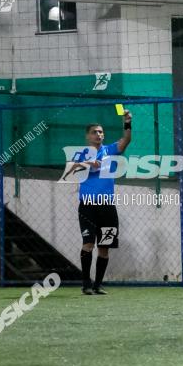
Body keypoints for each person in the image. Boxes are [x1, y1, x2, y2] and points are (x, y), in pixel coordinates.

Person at [61, 112, 132, 295]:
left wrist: (127, 123)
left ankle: (98, 284)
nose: (98, 135)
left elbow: (126, 140)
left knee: (104, 246)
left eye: (100, 132)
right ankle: (86, 283)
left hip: (107, 206)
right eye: (94, 132)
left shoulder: (110, 150)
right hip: (88, 206)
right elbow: (71, 170)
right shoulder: (81, 153)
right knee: (88, 244)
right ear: (87, 136)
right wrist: (88, 163)